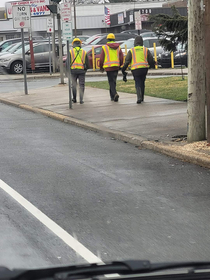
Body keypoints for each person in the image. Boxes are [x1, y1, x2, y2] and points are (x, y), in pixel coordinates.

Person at [121, 36, 156, 104]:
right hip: (144, 68)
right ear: (142, 42)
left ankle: (139, 97)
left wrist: (123, 69)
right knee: (142, 82)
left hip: (135, 69)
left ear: (134, 42)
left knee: (137, 82)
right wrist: (153, 65)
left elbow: (127, 61)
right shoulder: (145, 49)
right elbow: (150, 59)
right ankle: (142, 97)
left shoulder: (131, 50)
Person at [100, 33, 124, 102]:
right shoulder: (118, 47)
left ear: (107, 40)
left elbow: (101, 58)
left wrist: (101, 67)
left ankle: (115, 93)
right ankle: (112, 96)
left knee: (111, 81)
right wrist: (121, 65)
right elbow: (121, 57)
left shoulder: (105, 47)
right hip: (116, 66)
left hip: (108, 67)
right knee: (113, 81)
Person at [70, 38, 89, 104]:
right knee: (82, 85)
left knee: (74, 85)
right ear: (80, 44)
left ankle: (74, 99)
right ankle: (81, 99)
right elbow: (87, 63)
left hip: (73, 71)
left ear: (73, 44)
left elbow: (67, 63)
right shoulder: (84, 52)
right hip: (81, 71)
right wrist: (85, 70)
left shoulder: (71, 52)